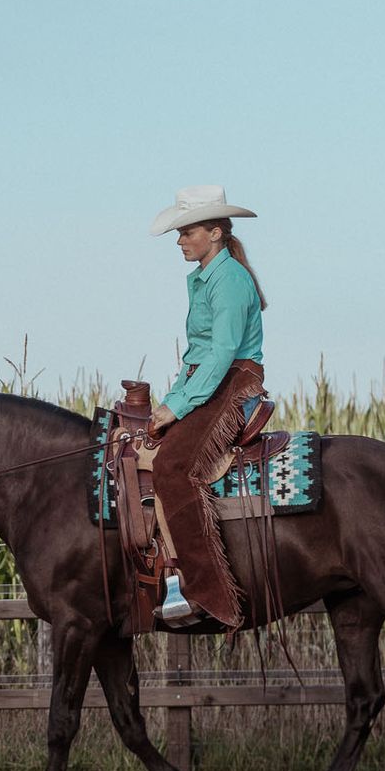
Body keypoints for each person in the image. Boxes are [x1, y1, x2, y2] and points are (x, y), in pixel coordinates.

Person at [146, 185, 267, 629]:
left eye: (187, 232)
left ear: (215, 233)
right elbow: (198, 355)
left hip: (232, 382)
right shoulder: (205, 278)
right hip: (209, 381)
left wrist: (177, 406)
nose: (180, 241)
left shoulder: (230, 279)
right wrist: (170, 402)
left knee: (174, 468)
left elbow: (220, 354)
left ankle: (204, 593)